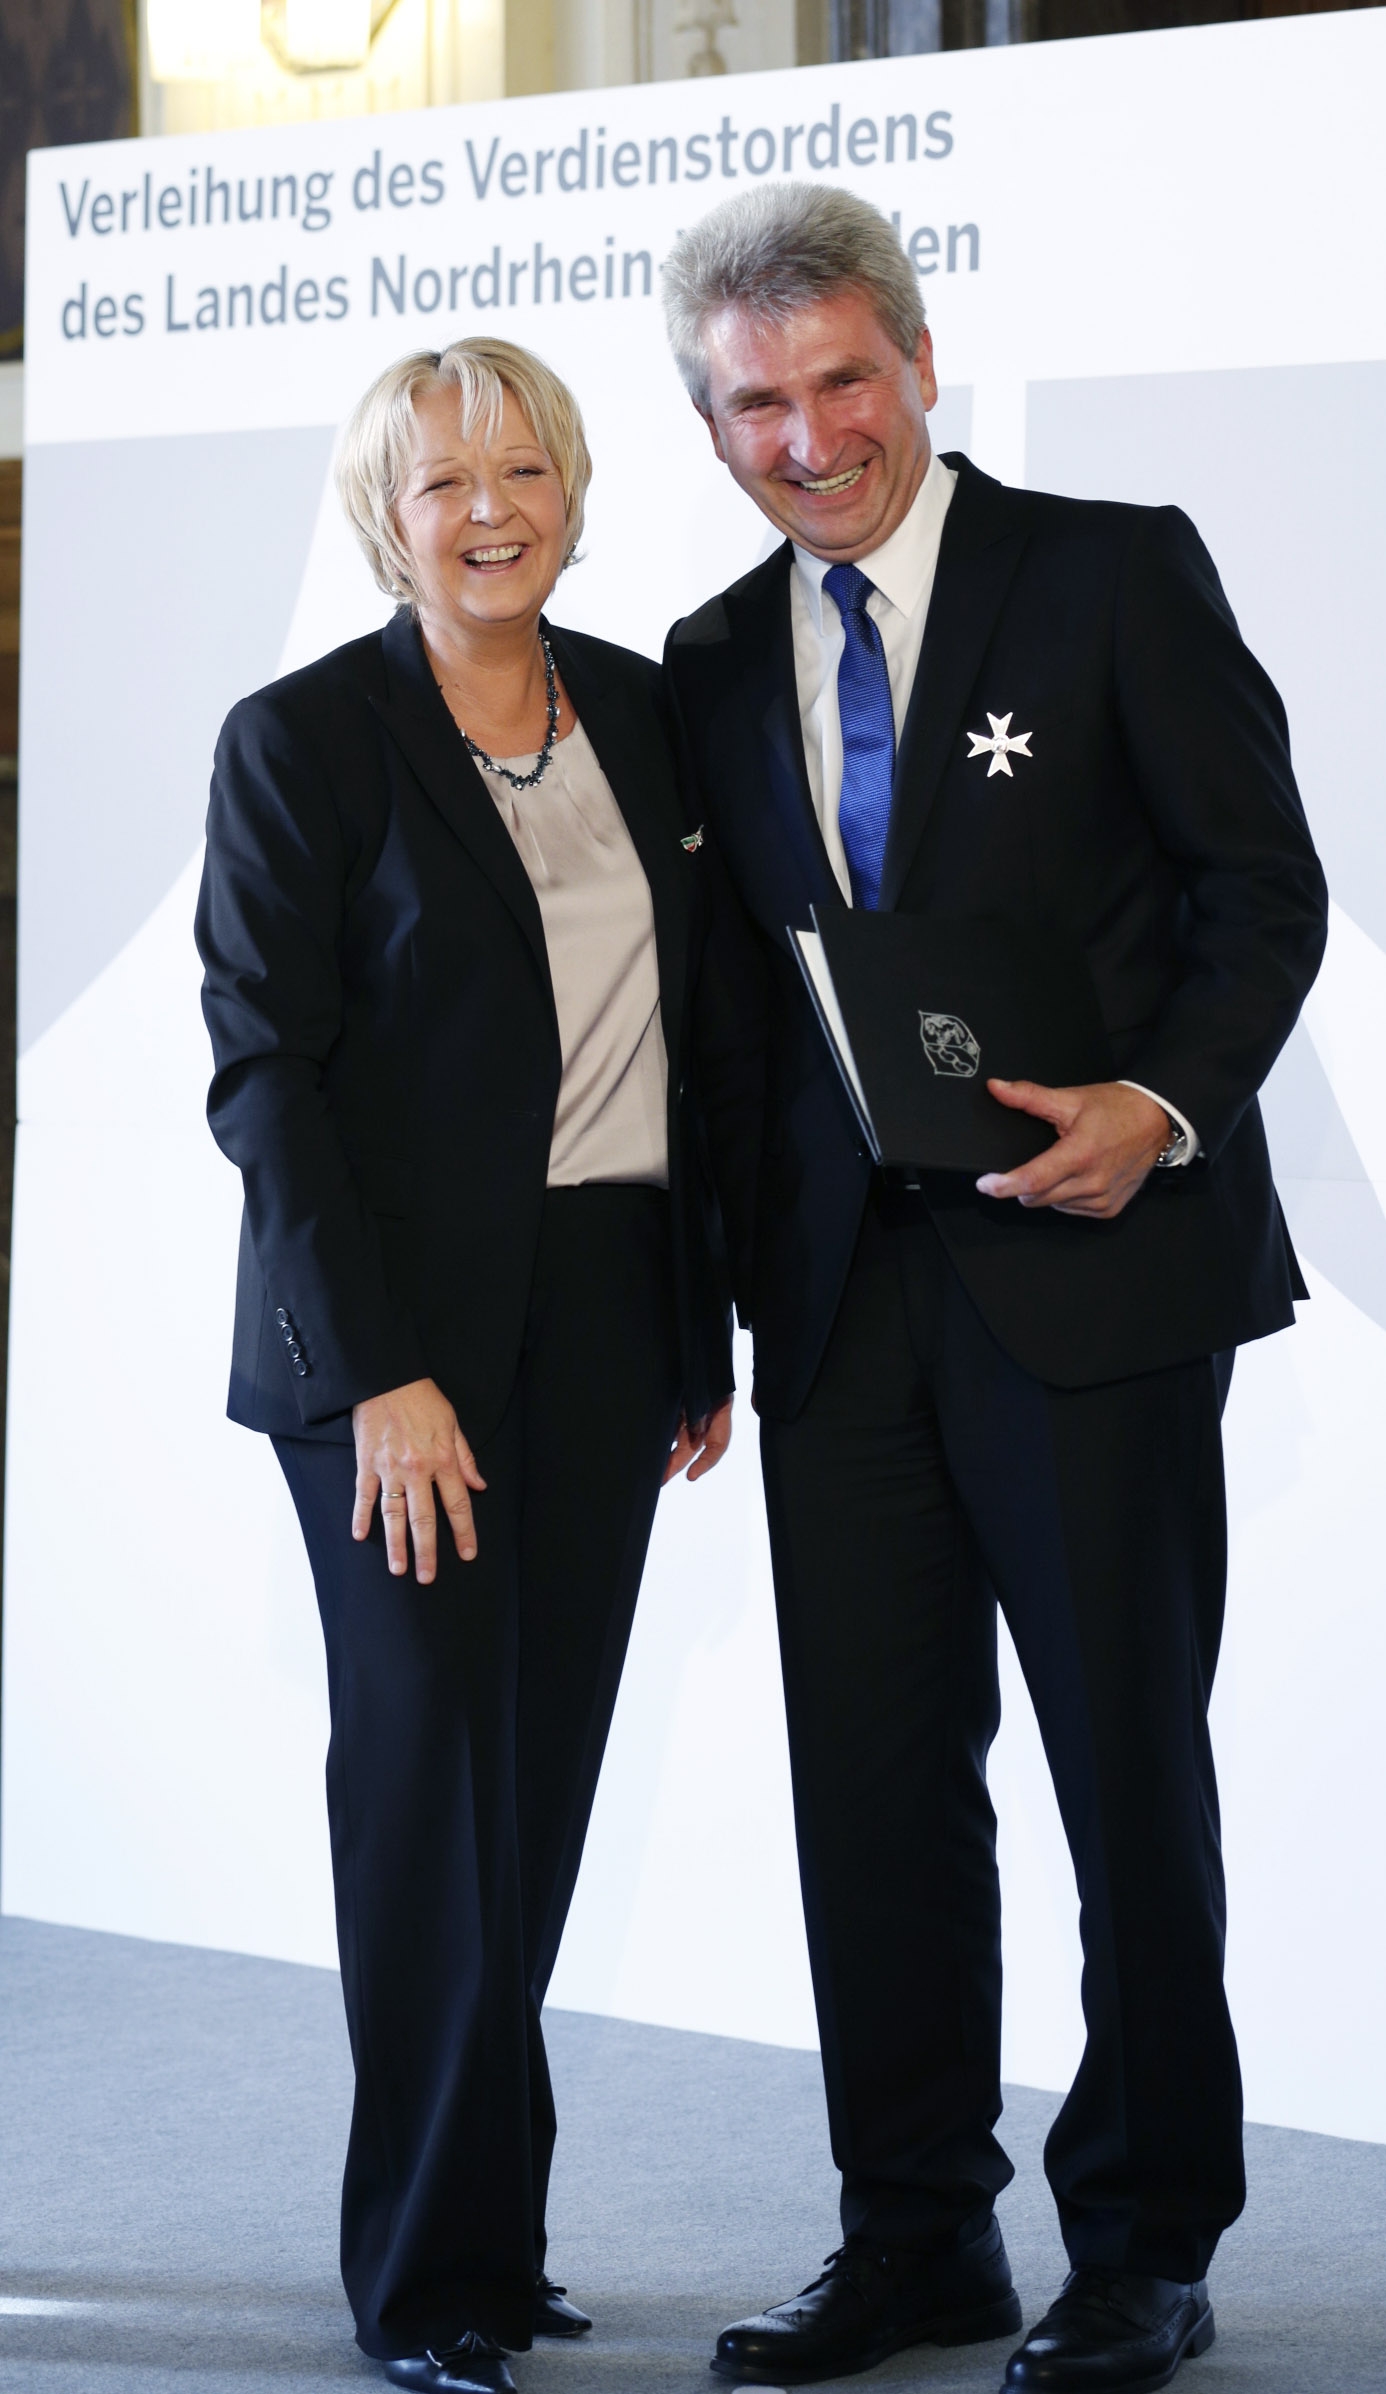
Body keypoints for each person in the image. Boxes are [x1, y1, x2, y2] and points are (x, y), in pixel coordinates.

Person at [661, 184, 1328, 2393]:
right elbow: (730, 1029)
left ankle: (1143, 2240)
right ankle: (914, 2230)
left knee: (1124, 1772)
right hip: (838, 1306)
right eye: (756, 403)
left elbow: (1263, 889)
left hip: (1095, 1272)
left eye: (842, 379)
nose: (809, 436)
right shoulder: (706, 661)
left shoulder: (1112, 572)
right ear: (711, 425)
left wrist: (1165, 1100)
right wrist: (708, 1313)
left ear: (921, 364)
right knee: (872, 1786)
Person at [196, 337, 746, 2394]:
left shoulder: (646, 715)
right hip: (393, 1346)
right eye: (446, 482)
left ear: (573, 491)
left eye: (525, 469)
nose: (492, 509)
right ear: (386, 518)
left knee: (534, 1784)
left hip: (606, 1310)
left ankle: (498, 2244)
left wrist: (696, 1322)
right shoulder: (303, 740)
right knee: (433, 1785)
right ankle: (426, 2283)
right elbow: (267, 1074)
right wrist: (380, 1374)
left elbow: (699, 1042)